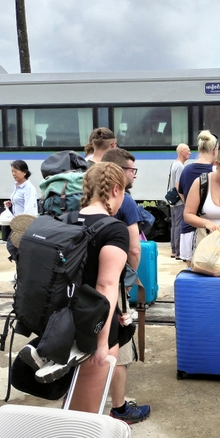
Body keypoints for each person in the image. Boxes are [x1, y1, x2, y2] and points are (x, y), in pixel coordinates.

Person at [65, 162, 130, 412]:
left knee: (71, 398)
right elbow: (106, 284)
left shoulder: (68, 219)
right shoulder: (114, 229)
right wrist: (102, 341)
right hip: (93, 328)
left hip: (63, 324)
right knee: (87, 411)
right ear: (115, 189)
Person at [99, 148, 151, 424]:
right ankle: (119, 409)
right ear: (120, 172)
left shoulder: (86, 198)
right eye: (132, 170)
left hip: (84, 289)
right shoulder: (125, 202)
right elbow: (133, 250)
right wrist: (129, 286)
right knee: (118, 348)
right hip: (112, 287)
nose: (135, 175)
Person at [177, 131, 219, 265]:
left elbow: (183, 195)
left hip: (189, 227)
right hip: (211, 229)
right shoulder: (216, 172)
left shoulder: (186, 170)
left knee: (191, 272)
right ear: (214, 150)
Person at [3, 160, 38, 259]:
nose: (13, 174)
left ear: (24, 172)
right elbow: (20, 201)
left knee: (13, 247)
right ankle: (21, 268)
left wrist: (23, 227)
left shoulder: (28, 188)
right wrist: (11, 203)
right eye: (12, 171)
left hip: (23, 225)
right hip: (17, 222)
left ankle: (22, 268)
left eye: (16, 171)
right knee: (15, 248)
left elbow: (29, 208)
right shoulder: (17, 185)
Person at [168, 144, 190, 260]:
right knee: (179, 225)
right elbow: (178, 185)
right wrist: (185, 201)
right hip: (179, 202)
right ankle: (177, 251)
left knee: (174, 225)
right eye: (188, 151)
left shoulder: (173, 164)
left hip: (173, 201)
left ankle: (173, 249)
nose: (190, 153)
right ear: (182, 152)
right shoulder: (180, 167)